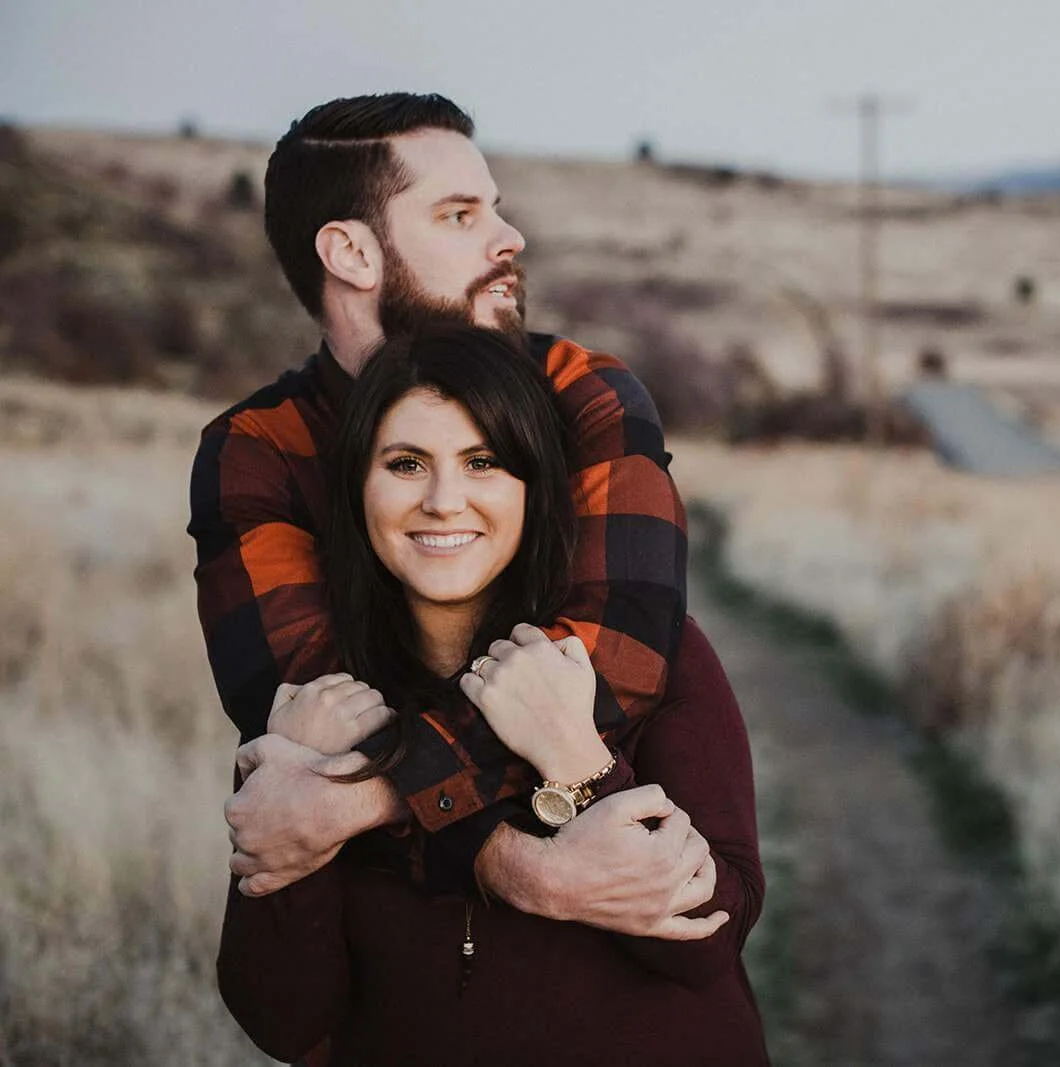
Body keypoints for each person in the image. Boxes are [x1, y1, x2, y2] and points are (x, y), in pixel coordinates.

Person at [189, 92, 716, 934]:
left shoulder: (583, 392)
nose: (509, 239)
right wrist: (524, 871)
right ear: (352, 252)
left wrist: (355, 804)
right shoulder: (259, 449)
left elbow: (612, 659)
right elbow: (310, 715)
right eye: (460, 215)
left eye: (494, 209)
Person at [217, 326, 767, 1065]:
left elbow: (709, 940)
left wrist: (577, 758)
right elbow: (281, 1021)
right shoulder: (321, 703)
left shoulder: (641, 659)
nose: (444, 501)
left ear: (533, 485)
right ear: (358, 486)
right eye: (406, 464)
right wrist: (307, 798)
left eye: (483, 462)